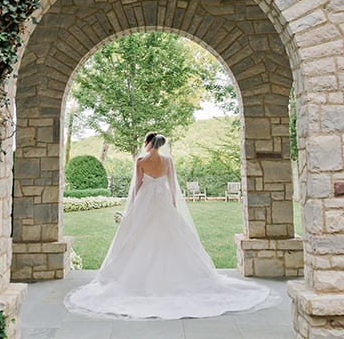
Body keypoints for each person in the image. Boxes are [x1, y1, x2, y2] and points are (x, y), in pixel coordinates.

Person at [64, 132, 280, 320]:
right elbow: (173, 186)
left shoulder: (140, 160)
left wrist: (131, 209)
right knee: (172, 236)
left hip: (145, 203)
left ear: (148, 143)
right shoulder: (168, 161)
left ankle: (134, 279)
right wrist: (174, 206)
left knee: (138, 237)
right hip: (164, 201)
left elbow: (137, 187)